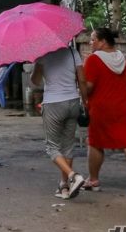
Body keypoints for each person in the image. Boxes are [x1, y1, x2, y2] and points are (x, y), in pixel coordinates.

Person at [83, 27, 126, 196]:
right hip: (124, 106)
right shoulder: (122, 58)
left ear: (103, 42)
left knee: (95, 142)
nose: (90, 43)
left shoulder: (93, 59)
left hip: (101, 108)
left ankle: (93, 180)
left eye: (93, 39)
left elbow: (89, 87)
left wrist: (80, 85)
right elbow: (125, 82)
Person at [32, 45, 87, 199]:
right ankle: (64, 186)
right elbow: (82, 80)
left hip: (53, 103)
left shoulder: (43, 54)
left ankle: (73, 176)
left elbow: (35, 81)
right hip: (73, 101)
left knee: (52, 147)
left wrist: (37, 64)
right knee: (68, 146)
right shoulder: (73, 52)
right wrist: (85, 101)